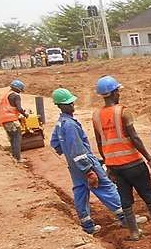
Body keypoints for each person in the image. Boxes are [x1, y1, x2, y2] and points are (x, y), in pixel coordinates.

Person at [90, 75, 151, 241]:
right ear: (113, 93)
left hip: (114, 166)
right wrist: (149, 159)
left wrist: (109, 164)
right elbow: (135, 138)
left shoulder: (96, 116)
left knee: (125, 198)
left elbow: (99, 142)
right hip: (132, 163)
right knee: (148, 192)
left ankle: (134, 231)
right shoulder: (123, 112)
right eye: (117, 91)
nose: (119, 94)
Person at [49, 87, 128, 235]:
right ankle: (125, 217)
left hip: (73, 164)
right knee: (105, 186)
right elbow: (78, 149)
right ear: (61, 105)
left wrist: (67, 153)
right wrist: (88, 170)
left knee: (80, 190)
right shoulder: (70, 125)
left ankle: (87, 225)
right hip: (83, 162)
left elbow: (55, 144)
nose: (72, 106)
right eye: (69, 103)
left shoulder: (60, 123)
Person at [0, 79, 29, 161]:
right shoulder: (16, 96)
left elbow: (10, 107)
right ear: (18, 89)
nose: (20, 92)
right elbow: (19, 108)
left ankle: (14, 156)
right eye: (20, 90)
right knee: (17, 138)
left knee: (12, 138)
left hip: (3, 119)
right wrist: (25, 115)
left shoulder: (7, 95)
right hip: (11, 119)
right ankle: (18, 158)